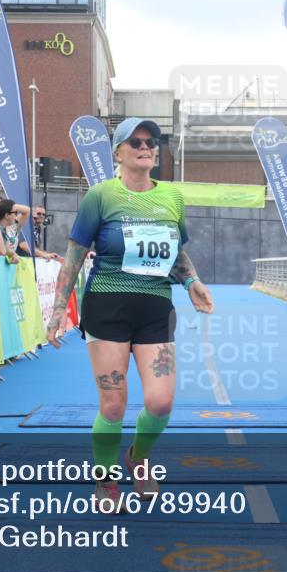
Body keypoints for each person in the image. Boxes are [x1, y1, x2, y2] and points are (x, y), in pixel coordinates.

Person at [45, 117, 214, 512]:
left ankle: (138, 458)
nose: (146, 146)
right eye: (135, 141)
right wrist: (57, 309)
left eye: (151, 141)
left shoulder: (172, 197)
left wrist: (192, 282)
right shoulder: (100, 196)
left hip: (156, 308)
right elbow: (73, 256)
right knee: (114, 405)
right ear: (118, 152)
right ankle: (105, 481)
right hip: (107, 306)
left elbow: (176, 251)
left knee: (161, 403)